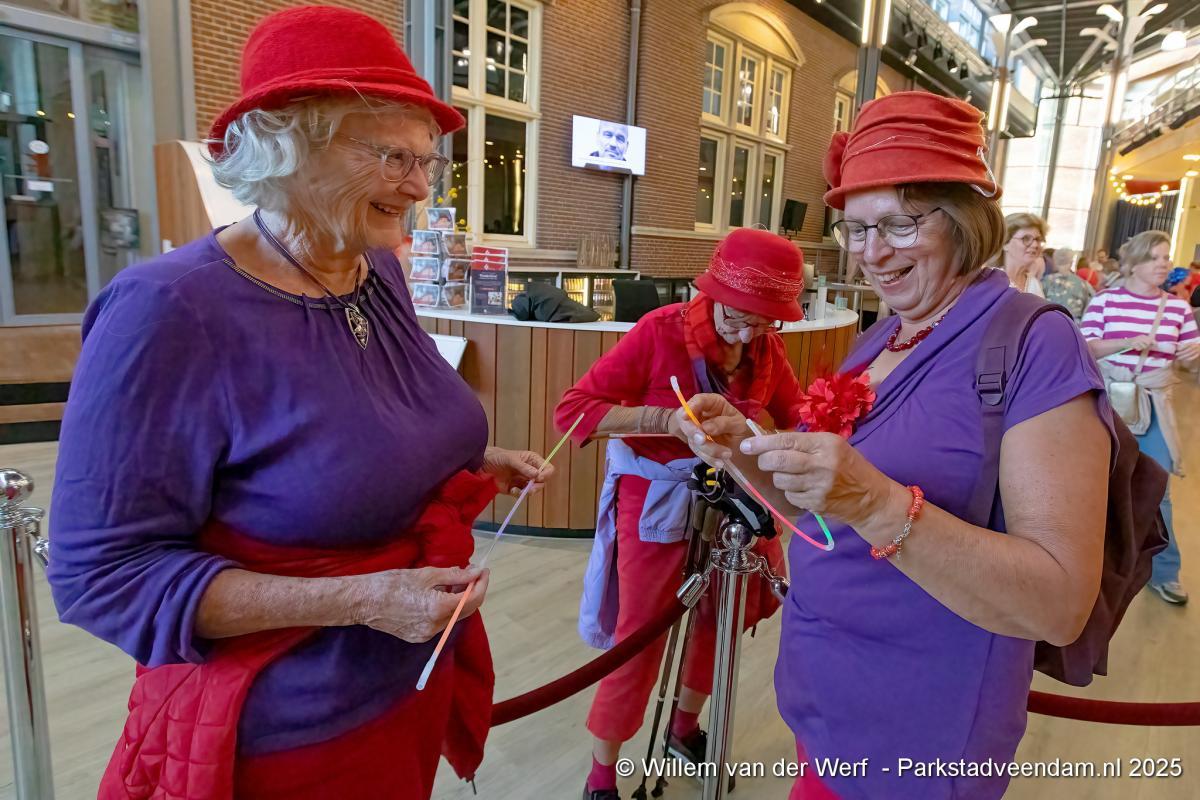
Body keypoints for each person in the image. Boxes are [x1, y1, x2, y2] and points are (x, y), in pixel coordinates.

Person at [47, 8, 554, 799]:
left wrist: (476, 457)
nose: (419, 187)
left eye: (427, 161)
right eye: (392, 156)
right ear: (286, 146)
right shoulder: (170, 310)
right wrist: (356, 599)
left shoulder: (376, 269)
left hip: (409, 678)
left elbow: (340, 433)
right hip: (285, 731)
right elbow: (100, 576)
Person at [673, 91, 1112, 800]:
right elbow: (819, 510)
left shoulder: (1034, 342)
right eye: (854, 228)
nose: (872, 253)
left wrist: (877, 504)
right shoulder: (883, 335)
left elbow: (1058, 604)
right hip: (824, 700)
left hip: (920, 731)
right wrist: (744, 451)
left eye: (900, 224)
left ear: (966, 218)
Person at [555, 228, 807, 800]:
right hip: (657, 499)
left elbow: (796, 414)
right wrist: (664, 421)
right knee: (640, 637)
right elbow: (574, 410)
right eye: (739, 317)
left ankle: (683, 728)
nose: (748, 333)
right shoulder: (659, 331)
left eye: (765, 322)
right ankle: (602, 776)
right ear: (713, 294)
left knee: (722, 620)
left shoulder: (766, 347)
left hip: (730, 499)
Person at [1082, 230, 1200, 606]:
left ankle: (1164, 572)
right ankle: (1089, 565)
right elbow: (1085, 347)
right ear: (1134, 263)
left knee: (1158, 487)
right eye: (1155, 257)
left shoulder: (1178, 308)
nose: (1164, 264)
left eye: (1166, 257)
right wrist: (1125, 343)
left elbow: (1189, 358)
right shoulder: (1106, 301)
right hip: (1109, 402)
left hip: (1154, 403)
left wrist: (1192, 354)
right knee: (1097, 483)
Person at [1001, 212, 1048, 297]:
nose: (1035, 245)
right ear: (1005, 243)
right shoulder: (991, 280)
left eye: (1038, 239)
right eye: (1026, 238)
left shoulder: (1034, 284)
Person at [1042, 246, 1093, 320]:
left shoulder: (1045, 281)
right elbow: (1088, 307)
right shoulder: (1083, 284)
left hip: (1050, 322)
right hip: (1073, 324)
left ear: (1055, 261)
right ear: (1071, 262)